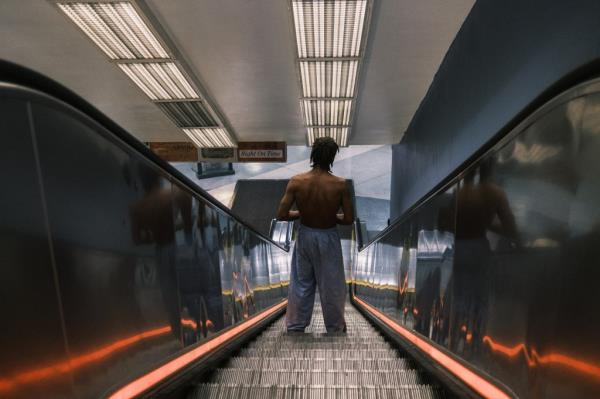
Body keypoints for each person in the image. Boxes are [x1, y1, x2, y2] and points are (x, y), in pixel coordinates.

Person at [277, 137, 354, 333]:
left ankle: (295, 325)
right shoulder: (340, 185)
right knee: (332, 284)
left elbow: (282, 215)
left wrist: (303, 213)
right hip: (328, 236)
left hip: (305, 235)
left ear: (313, 155)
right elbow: (348, 219)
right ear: (332, 157)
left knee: (302, 282)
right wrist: (329, 215)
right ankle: (335, 326)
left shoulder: (297, 181)